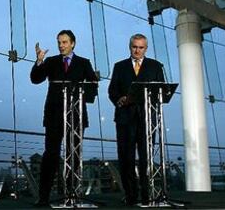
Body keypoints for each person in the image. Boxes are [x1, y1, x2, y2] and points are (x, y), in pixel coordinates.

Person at [30, 30, 98, 206]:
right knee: (50, 155)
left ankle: (72, 195)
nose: (61, 45)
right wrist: (39, 61)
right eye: (59, 42)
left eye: (65, 42)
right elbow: (35, 79)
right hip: (54, 116)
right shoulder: (51, 62)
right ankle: (43, 197)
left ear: (73, 43)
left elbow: (92, 88)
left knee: (73, 156)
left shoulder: (84, 63)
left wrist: (80, 91)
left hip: (76, 116)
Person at [108, 33, 165, 206]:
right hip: (125, 119)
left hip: (147, 119)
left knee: (146, 159)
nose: (137, 50)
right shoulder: (120, 66)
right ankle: (131, 196)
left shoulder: (155, 66)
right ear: (130, 46)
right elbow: (112, 91)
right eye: (134, 47)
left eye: (141, 47)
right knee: (126, 159)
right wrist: (119, 99)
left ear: (145, 48)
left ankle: (147, 196)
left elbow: (160, 91)